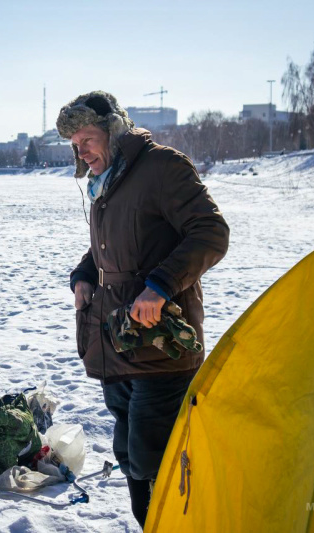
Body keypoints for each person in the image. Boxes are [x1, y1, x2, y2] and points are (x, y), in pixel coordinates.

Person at [57, 91, 229, 527]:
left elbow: (211, 232)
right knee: (131, 455)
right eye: (75, 145)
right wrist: (83, 276)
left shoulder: (163, 167)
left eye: (88, 139)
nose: (82, 151)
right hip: (115, 340)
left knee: (155, 460)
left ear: (113, 131)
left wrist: (161, 286)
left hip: (161, 346)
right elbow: (110, 249)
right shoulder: (108, 181)